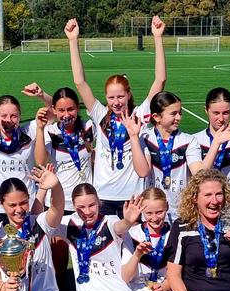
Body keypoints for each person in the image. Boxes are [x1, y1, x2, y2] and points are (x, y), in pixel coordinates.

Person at [65, 16, 167, 218]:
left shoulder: (140, 115)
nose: (116, 101)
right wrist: (72, 41)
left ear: (128, 95)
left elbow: (160, 80)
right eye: (111, 97)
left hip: (133, 198)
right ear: (106, 98)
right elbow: (79, 82)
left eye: (121, 96)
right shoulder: (100, 114)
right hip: (102, 197)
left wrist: (157, 38)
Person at [126, 91, 212, 221]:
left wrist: (216, 143)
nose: (178, 117)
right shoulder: (145, 138)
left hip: (182, 213)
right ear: (156, 117)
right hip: (152, 214)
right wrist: (133, 137)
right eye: (173, 113)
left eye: (180, 113)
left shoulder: (188, 140)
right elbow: (143, 171)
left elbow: (199, 174)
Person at [0, 85, 52, 227]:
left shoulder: (29, 130)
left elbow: (55, 111)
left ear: (20, 116)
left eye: (14, 116)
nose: (9, 120)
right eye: (4, 116)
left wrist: (41, 95)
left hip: (26, 206)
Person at [35, 87, 94, 214]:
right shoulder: (50, 131)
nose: (66, 115)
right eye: (61, 110)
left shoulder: (88, 126)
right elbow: (40, 161)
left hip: (85, 200)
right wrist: (40, 129)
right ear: (54, 110)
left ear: (78, 108)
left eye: (70, 109)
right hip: (59, 200)